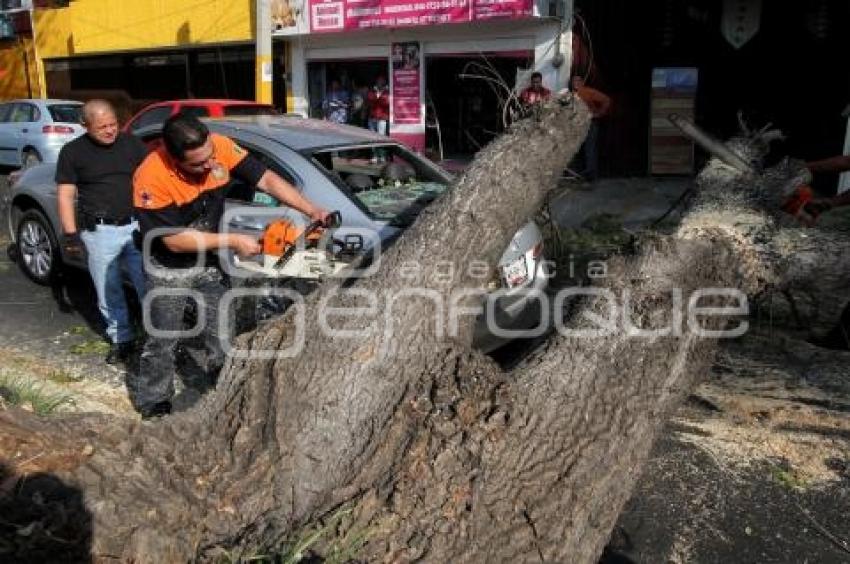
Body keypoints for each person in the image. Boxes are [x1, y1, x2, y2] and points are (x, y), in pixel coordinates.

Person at [131, 113, 329, 418]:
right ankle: (154, 400)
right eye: (197, 164)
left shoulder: (220, 147)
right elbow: (173, 241)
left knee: (221, 325)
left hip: (208, 258)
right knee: (164, 335)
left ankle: (221, 381)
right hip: (168, 264)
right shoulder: (151, 176)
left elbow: (267, 179)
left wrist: (310, 208)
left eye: (210, 156)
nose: (210, 165)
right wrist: (233, 241)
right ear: (172, 158)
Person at [56, 99, 149, 365]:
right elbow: (65, 195)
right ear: (85, 126)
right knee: (109, 290)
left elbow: (152, 178)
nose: (110, 131)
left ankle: (156, 339)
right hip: (99, 232)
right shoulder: (73, 152)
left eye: (113, 125)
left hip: (136, 227)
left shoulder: (132, 144)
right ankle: (122, 339)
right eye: (102, 127)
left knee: (149, 286)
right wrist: (71, 235)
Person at [571, 75, 611, 181]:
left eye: (578, 80)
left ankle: (590, 174)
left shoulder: (588, 92)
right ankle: (577, 173)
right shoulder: (570, 95)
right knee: (576, 149)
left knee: (590, 148)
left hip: (589, 124)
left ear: (582, 82)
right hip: (576, 125)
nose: (575, 82)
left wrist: (598, 114)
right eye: (573, 80)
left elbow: (606, 100)